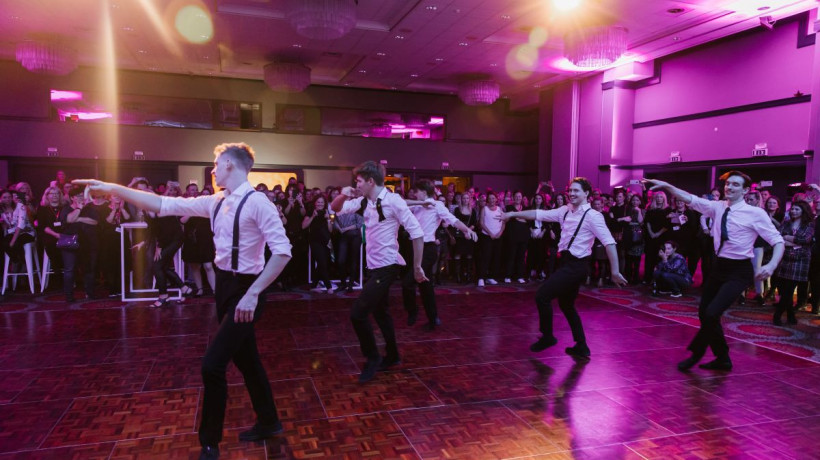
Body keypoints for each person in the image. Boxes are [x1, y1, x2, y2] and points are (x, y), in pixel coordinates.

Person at [75, 143, 292, 460]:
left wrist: (253, 294)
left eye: (216, 163)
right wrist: (113, 188)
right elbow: (162, 203)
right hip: (226, 287)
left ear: (230, 165)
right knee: (248, 360)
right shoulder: (216, 201)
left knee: (212, 366)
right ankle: (269, 421)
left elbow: (283, 252)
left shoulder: (258, 202)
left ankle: (209, 443)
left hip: (247, 290)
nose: (213, 169)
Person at [646, 171, 784, 372]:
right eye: (728, 184)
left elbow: (778, 241)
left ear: (745, 190)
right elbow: (689, 198)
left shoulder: (756, 213)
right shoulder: (717, 207)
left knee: (712, 313)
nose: (729, 187)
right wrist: (666, 185)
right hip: (719, 267)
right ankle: (723, 358)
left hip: (739, 270)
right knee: (705, 314)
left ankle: (696, 353)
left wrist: (770, 265)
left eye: (735, 184)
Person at [498, 177, 627, 359]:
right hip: (565, 262)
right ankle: (581, 346)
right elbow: (538, 214)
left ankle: (548, 337)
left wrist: (614, 271)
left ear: (586, 194)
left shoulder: (593, 216)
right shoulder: (564, 211)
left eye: (576, 191)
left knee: (542, 296)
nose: (571, 193)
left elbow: (609, 242)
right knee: (566, 305)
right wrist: (512, 214)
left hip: (577, 265)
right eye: (570, 190)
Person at [330, 161, 425, 383]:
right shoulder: (365, 201)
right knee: (381, 313)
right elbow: (335, 209)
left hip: (387, 266)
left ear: (370, 181)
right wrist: (343, 194)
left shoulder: (393, 201)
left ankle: (373, 357)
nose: (357, 184)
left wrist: (417, 266)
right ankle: (392, 355)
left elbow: (417, 233)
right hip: (373, 266)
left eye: (359, 181)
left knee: (358, 314)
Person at [403, 179, 477, 330]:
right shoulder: (417, 205)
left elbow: (453, 220)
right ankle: (433, 319)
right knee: (425, 287)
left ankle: (413, 311)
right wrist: (420, 203)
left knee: (408, 283)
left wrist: (467, 229)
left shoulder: (437, 205)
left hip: (428, 249)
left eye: (417, 191)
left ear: (424, 192)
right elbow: (401, 203)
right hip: (415, 248)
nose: (414, 194)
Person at [772, 201, 813, 325]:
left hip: (800, 260)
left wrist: (787, 238)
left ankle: (777, 315)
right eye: (792, 209)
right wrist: (793, 241)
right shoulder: (786, 223)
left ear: (803, 211)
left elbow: (805, 240)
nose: (793, 211)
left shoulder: (808, 225)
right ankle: (790, 316)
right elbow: (778, 237)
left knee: (789, 290)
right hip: (785, 258)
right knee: (785, 290)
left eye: (797, 209)